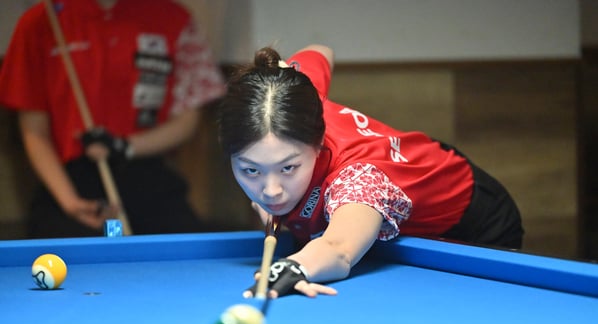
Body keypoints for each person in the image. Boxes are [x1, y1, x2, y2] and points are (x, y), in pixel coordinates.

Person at [218, 44, 524, 298]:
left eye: (288, 167)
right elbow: (320, 50)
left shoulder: (360, 179)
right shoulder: (292, 92)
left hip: (472, 219)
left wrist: (295, 267)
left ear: (318, 141)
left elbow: (338, 248)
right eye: (251, 170)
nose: (271, 191)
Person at [0, 0, 226, 238]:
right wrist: (71, 202)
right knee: (89, 246)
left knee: (185, 247)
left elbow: (188, 120)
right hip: (72, 184)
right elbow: (34, 132)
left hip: (146, 174)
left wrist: (123, 145)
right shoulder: (41, 22)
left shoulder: (174, 18)